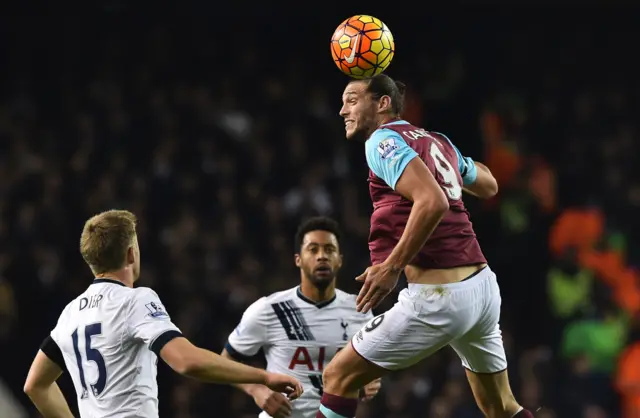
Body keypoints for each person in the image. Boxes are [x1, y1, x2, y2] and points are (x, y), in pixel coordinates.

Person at [316, 74, 534, 418]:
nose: (342, 109)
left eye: (352, 100)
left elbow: (432, 201)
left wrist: (391, 267)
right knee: (502, 408)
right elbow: (490, 185)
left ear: (383, 103)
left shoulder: (381, 142)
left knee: (337, 376)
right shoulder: (436, 141)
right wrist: (458, 165)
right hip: (481, 288)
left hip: (440, 296)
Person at [23, 210, 303, 418]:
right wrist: (262, 378)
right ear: (132, 254)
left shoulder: (70, 314)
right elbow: (185, 361)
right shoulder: (135, 299)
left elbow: (35, 385)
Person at [222, 217, 381, 418]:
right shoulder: (269, 309)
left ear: (339, 260)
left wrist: (370, 380)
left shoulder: (360, 309)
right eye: (313, 249)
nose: (322, 256)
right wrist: (258, 390)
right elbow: (226, 360)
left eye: (329, 250)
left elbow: (374, 365)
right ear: (298, 259)